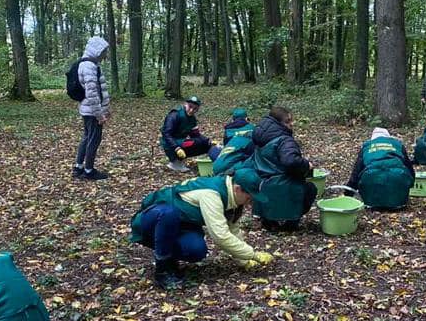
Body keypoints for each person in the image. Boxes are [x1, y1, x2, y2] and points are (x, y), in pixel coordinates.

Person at [130, 169, 275, 290]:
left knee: (196, 250)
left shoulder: (232, 200)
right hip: (150, 222)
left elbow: (233, 230)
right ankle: (162, 270)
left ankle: (170, 260)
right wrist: (253, 254)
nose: (251, 202)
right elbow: (221, 235)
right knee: (168, 214)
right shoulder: (212, 195)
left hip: (180, 226)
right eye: (250, 197)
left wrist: (245, 261)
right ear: (238, 189)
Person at [246, 106, 317, 231]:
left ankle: (268, 221)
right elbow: (290, 161)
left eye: (291, 120)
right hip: (283, 185)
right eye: (287, 121)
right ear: (278, 122)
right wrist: (307, 165)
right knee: (310, 188)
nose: (291, 124)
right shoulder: (284, 140)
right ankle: (291, 222)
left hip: (262, 187)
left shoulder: (259, 136)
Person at [346, 128, 415, 210]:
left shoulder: (367, 146)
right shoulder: (398, 144)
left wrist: (347, 194)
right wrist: (409, 184)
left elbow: (356, 173)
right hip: (399, 198)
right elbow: (409, 167)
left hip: (370, 199)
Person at [74, 36, 112, 180]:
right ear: (97, 50)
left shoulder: (87, 64)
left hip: (87, 109)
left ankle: (78, 167)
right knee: (93, 140)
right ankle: (89, 171)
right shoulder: (89, 67)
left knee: (86, 138)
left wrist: (106, 108)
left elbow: (98, 92)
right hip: (92, 111)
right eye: (104, 51)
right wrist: (99, 114)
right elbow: (92, 93)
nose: (105, 54)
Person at [161, 96, 221, 172]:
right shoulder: (175, 115)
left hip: (181, 141)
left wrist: (208, 141)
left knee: (204, 144)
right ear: (185, 104)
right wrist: (176, 148)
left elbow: (196, 134)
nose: (192, 110)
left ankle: (218, 164)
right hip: (170, 144)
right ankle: (175, 163)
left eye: (195, 109)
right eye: (190, 107)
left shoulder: (192, 119)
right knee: (193, 143)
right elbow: (166, 134)